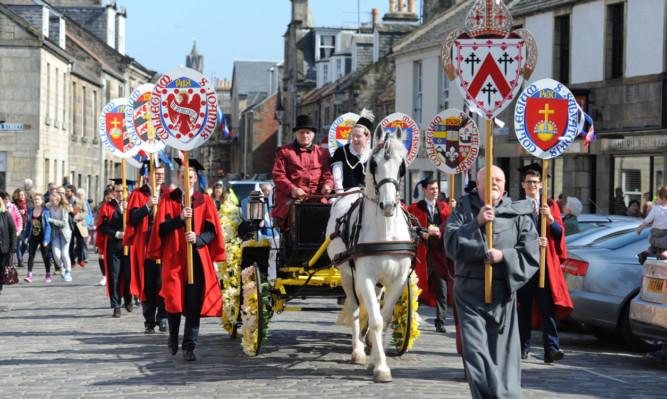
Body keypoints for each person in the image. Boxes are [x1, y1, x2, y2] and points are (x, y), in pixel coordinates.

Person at [444, 165, 539, 399]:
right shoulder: (464, 209)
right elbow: (451, 244)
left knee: (504, 357)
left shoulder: (518, 213)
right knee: (475, 354)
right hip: (469, 294)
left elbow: (531, 252)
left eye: (499, 180)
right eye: (489, 180)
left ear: (505, 185)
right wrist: (475, 223)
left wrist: (503, 256)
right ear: (478, 184)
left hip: (502, 293)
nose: (494, 184)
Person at [147, 160, 225, 361]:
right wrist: (179, 219)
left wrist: (197, 239)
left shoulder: (204, 200)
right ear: (178, 178)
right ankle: (173, 336)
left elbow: (211, 232)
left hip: (196, 259)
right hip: (174, 258)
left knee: (193, 303)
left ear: (195, 178)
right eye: (183, 177)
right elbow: (161, 229)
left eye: (191, 177)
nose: (187, 181)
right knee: (173, 300)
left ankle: (189, 346)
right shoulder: (168, 199)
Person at [515, 163, 572, 364]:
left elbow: (559, 233)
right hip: (525, 264)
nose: (532, 185)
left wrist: (550, 218)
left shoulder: (549, 204)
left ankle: (551, 348)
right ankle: (523, 346)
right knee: (524, 308)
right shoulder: (517, 206)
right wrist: (532, 243)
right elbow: (513, 235)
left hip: (545, 266)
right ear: (523, 184)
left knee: (547, 308)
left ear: (541, 184)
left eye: (536, 182)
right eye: (529, 182)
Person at [124, 163, 170, 334]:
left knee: (163, 282)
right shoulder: (138, 193)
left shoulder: (168, 193)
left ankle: (163, 317)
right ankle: (149, 320)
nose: (159, 176)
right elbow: (133, 218)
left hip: (163, 244)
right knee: (148, 284)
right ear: (149, 175)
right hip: (145, 244)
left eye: (162, 174)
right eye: (157, 173)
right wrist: (147, 206)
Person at [407, 176, 454, 332]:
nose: (435, 191)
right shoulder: (415, 208)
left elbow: (451, 227)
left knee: (442, 287)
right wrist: (424, 235)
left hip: (439, 253)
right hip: (422, 253)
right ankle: (411, 317)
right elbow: (411, 229)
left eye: (437, 189)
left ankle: (440, 321)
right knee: (418, 286)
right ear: (424, 190)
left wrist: (454, 211)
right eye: (432, 189)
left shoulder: (445, 207)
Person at [272, 114, 333, 230]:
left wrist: (327, 185)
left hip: (316, 197)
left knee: (328, 213)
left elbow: (327, 175)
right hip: (291, 197)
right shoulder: (284, 152)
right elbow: (278, 176)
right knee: (294, 212)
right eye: (301, 132)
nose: (305, 135)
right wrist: (293, 189)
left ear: (313, 134)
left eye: (308, 132)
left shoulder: (323, 152)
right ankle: (292, 243)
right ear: (296, 133)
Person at [97, 180, 133, 317]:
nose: (120, 194)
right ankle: (116, 305)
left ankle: (129, 298)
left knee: (129, 275)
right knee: (115, 276)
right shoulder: (107, 206)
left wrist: (128, 209)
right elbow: (103, 226)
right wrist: (117, 234)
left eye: (122, 191)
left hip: (129, 246)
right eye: (117, 191)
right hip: (114, 245)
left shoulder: (131, 205)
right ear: (113, 192)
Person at [330, 109, 373, 193]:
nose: (354, 139)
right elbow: (337, 177)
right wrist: (341, 195)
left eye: (359, 136)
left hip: (367, 196)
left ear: (367, 137)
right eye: (353, 135)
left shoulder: (373, 154)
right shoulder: (341, 152)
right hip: (344, 195)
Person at [22, 194, 51, 283]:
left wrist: (46, 240)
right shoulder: (30, 212)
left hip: (43, 237)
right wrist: (25, 237)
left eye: (38, 199)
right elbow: (28, 226)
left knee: (45, 256)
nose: (36, 201)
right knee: (31, 256)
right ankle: (29, 275)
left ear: (42, 201)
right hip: (33, 237)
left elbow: (47, 227)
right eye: (35, 199)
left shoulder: (45, 212)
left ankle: (48, 273)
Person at [46, 192, 73, 281]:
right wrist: (51, 199)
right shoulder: (50, 207)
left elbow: (64, 223)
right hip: (55, 233)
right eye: (51, 201)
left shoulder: (63, 209)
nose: (52, 202)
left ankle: (69, 272)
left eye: (53, 201)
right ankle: (62, 268)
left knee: (65, 254)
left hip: (65, 233)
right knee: (56, 254)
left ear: (58, 201)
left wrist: (51, 220)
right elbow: (44, 205)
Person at [637, 186, 667, 264]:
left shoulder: (655, 208)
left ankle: (645, 253)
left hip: (654, 232)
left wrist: (640, 229)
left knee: (654, 246)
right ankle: (663, 255)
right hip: (664, 233)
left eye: (657, 198)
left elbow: (647, 220)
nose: (656, 200)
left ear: (662, 198)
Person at [94, 189, 115, 287]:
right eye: (108, 198)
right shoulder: (102, 206)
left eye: (111, 198)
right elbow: (98, 219)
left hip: (115, 234)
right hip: (103, 233)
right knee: (101, 255)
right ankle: (104, 275)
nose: (110, 200)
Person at [66, 185, 89, 268]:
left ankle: (81, 259)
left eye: (68, 191)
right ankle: (72, 261)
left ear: (73, 192)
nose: (66, 192)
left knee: (81, 243)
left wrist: (78, 216)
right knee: (70, 243)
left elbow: (86, 212)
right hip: (69, 224)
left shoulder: (81, 201)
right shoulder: (66, 201)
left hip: (79, 224)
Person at [0, 197, 17, 294]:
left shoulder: (5, 214)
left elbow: (13, 230)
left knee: (2, 268)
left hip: (4, 248)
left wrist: (13, 246)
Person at [12, 189, 28, 267]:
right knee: (19, 243)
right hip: (18, 226)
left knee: (26, 244)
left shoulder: (28, 203)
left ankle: (19, 254)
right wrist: (19, 211)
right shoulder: (14, 204)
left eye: (23, 195)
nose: (22, 196)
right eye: (20, 195)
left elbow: (32, 211)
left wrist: (26, 212)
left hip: (27, 226)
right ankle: (20, 259)